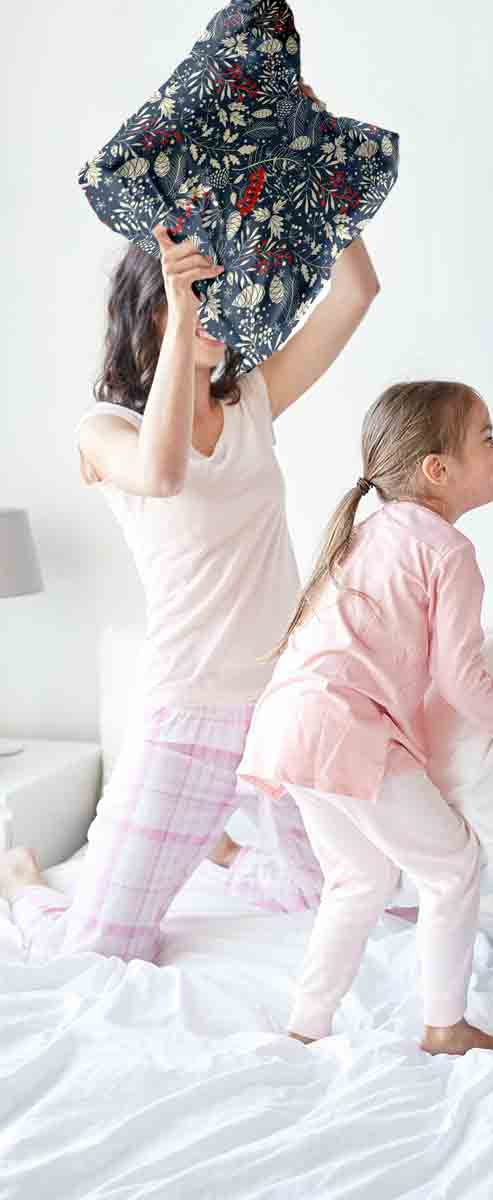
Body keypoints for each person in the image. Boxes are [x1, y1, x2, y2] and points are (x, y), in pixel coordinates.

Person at [0, 136, 380, 956]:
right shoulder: (105, 431)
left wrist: (308, 153)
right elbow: (164, 474)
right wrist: (182, 315)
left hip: (284, 702)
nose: (222, 313)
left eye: (226, 296)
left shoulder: (252, 400)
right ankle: (28, 889)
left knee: (324, 893)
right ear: (154, 310)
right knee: (100, 949)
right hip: (189, 712)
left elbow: (358, 291)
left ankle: (228, 848)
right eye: (202, 297)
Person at [238, 381, 493, 1056]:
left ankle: (305, 1025)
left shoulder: (370, 533)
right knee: (453, 866)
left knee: (360, 878)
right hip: (346, 730)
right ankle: (444, 1025)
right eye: (488, 437)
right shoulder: (446, 549)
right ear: (438, 470)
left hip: (289, 722)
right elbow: (460, 678)